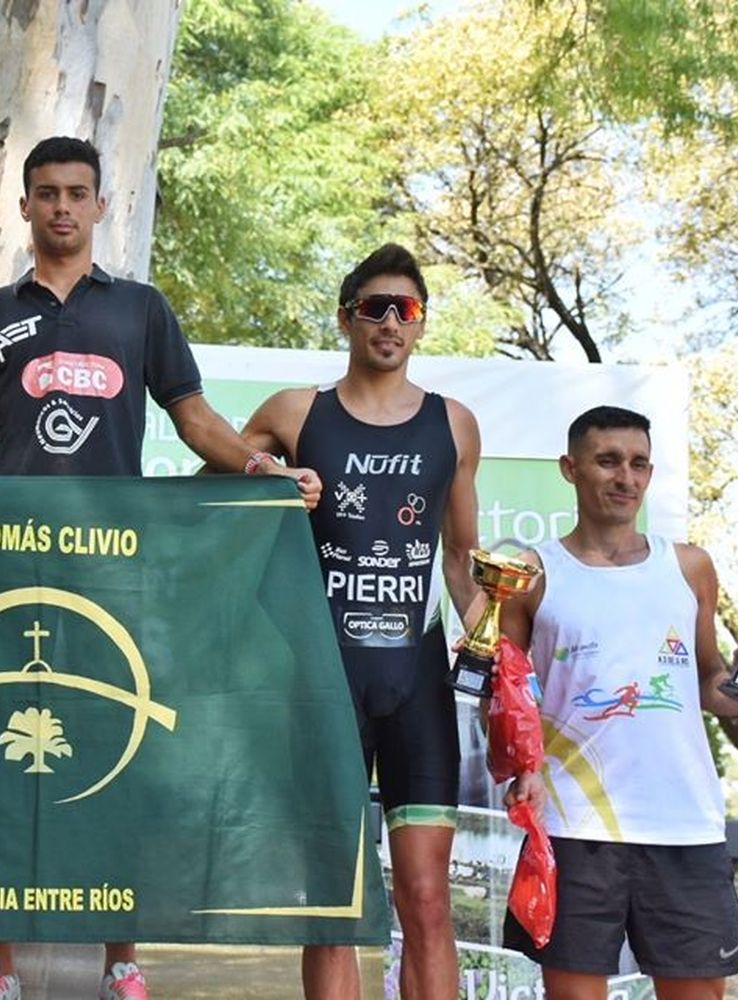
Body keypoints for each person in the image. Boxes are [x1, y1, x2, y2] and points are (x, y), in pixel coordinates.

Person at [0, 135, 322, 1000]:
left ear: (101, 205)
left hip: (116, 561)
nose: (61, 208)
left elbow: (193, 420)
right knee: (7, 761)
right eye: (46, 193)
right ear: (24, 206)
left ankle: (122, 960)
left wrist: (264, 471)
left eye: (78, 193)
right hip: (5, 563)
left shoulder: (142, 310)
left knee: (122, 749)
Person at [237, 243, 482, 1000]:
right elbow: (205, 492)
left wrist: (490, 639)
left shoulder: (456, 425)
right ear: (346, 319)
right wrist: (272, 476)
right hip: (323, 686)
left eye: (403, 310)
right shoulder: (295, 412)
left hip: (417, 685)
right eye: (372, 307)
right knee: (332, 909)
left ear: (421, 325)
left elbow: (461, 561)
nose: (388, 321)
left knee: (428, 901)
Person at [498, 405, 738, 999]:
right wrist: (517, 766)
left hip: (684, 825)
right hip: (575, 826)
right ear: (570, 468)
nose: (624, 478)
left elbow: (710, 685)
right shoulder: (530, 572)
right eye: (607, 461)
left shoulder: (689, 567)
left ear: (650, 474)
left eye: (637, 464)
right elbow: (508, 696)